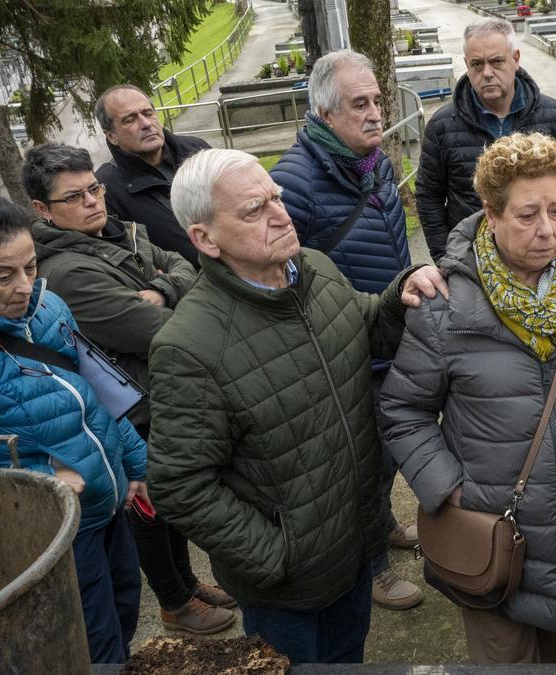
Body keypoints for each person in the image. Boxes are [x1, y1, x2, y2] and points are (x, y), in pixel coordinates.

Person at [145, 149, 447, 664]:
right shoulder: (189, 346)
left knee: (349, 654)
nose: (281, 215)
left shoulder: (315, 269)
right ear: (204, 239)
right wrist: (276, 556)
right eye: (253, 210)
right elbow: (179, 484)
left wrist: (400, 293)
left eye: (277, 198)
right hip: (286, 588)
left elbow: (363, 325)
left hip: (352, 545)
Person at [380, 132, 556, 664]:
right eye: (527, 215)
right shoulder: (445, 307)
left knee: (553, 651)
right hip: (493, 534)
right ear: (491, 213)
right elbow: (402, 410)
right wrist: (446, 487)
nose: (548, 230)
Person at [22, 142, 236, 636]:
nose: (93, 201)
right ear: (41, 210)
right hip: (133, 407)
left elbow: (187, 265)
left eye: (94, 188)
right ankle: (174, 602)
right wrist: (170, 292)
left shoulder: (122, 233)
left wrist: (163, 286)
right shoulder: (66, 272)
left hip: (163, 390)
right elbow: (155, 328)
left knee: (171, 503)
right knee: (150, 506)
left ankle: (186, 583)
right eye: (73, 197)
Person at [0, 194, 148, 663]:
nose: (24, 287)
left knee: (124, 611)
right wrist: (43, 487)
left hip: (110, 508)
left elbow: (96, 393)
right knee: (91, 645)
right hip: (56, 539)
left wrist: (135, 462)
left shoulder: (51, 308)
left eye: (30, 267)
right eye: (2, 275)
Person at [270, 49, 421, 611]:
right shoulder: (293, 183)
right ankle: (373, 569)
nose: (377, 113)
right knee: (358, 463)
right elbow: (282, 280)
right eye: (361, 104)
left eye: (379, 100)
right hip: (338, 349)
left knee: (384, 454)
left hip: (386, 336)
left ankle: (381, 526)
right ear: (326, 114)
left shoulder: (372, 160)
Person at [416, 17, 556, 261]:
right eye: (477, 64)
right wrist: (444, 258)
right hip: (469, 260)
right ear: (466, 65)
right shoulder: (442, 125)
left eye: (496, 61)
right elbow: (428, 196)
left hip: (536, 258)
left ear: (515, 59)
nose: (487, 73)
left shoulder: (552, 116)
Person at [95, 84, 211, 266]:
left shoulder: (197, 150)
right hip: (188, 285)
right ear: (111, 136)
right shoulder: (105, 188)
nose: (145, 124)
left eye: (148, 113)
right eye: (130, 120)